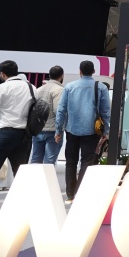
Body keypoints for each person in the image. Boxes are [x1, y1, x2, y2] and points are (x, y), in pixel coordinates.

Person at [55, 60, 110, 201]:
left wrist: (58, 130)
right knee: (87, 162)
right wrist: (106, 131)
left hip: (71, 130)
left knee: (70, 162)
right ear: (93, 71)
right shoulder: (101, 87)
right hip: (91, 131)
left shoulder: (69, 87)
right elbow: (106, 112)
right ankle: (80, 193)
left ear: (80, 71)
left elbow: (61, 110)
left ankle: (70, 195)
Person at [0, 60, 34, 184]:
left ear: (2, 73)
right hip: (24, 135)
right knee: (21, 173)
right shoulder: (31, 87)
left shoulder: (2, 87)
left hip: (3, 132)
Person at [29, 66, 64, 166]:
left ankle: (34, 177)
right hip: (52, 130)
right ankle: (47, 177)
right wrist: (59, 130)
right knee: (49, 162)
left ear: (50, 75)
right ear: (61, 76)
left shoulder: (39, 89)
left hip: (38, 129)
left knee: (36, 159)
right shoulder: (59, 90)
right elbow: (59, 111)